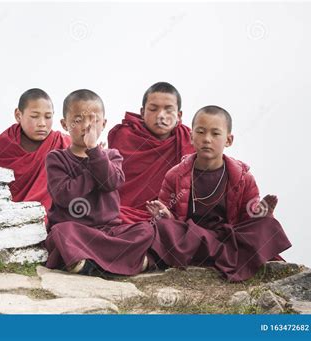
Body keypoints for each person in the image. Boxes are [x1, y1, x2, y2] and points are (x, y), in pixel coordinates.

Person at [146, 105, 292, 281]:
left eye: (215, 134)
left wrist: (260, 214)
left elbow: (246, 222)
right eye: (200, 132)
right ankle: (225, 259)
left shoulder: (243, 178)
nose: (207, 139)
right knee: (162, 227)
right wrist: (166, 216)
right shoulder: (175, 175)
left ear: (228, 140)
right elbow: (172, 222)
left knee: (269, 225)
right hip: (190, 238)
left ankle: (212, 256)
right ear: (191, 137)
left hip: (227, 240)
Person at [44, 89, 154, 276]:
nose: (87, 126)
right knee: (60, 232)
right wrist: (95, 161)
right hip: (77, 229)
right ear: (64, 124)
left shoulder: (112, 156)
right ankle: (128, 261)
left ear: (103, 124)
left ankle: (89, 264)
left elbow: (111, 182)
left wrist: (95, 153)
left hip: (108, 230)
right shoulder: (56, 158)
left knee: (145, 230)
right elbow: (65, 196)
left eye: (94, 120)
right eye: (78, 120)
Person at [108, 82, 193, 223]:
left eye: (168, 110)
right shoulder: (125, 136)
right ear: (142, 113)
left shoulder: (189, 140)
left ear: (179, 115)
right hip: (119, 211)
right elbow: (107, 182)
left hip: (162, 216)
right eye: (153, 109)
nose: (160, 116)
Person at [0, 88, 71, 216]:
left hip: (55, 216)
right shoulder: (3, 145)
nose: (42, 123)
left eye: (48, 117)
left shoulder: (62, 142)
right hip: (8, 216)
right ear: (18, 115)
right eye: (34, 116)